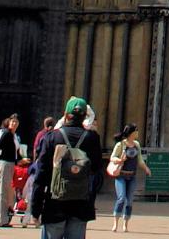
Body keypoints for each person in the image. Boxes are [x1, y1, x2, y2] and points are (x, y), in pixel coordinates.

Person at [29, 99, 103, 238]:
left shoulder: (51, 137)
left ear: (65, 114)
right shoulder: (92, 138)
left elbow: (41, 175)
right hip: (80, 204)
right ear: (85, 116)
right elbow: (97, 171)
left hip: (55, 204)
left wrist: (35, 209)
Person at [106, 122, 143, 231]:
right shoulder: (120, 145)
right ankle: (115, 223)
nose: (137, 132)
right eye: (136, 130)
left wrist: (146, 169)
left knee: (129, 200)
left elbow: (140, 159)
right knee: (121, 198)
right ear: (132, 132)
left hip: (132, 176)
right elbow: (112, 157)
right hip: (121, 175)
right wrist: (120, 160)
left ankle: (125, 224)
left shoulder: (136, 145)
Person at [0, 113, 26, 228]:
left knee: (3, 191)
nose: (14, 123)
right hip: (5, 163)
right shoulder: (6, 134)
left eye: (16, 122)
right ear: (9, 122)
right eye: (12, 121)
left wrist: (20, 160)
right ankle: (1, 220)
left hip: (10, 163)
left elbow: (15, 152)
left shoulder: (13, 135)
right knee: (3, 192)